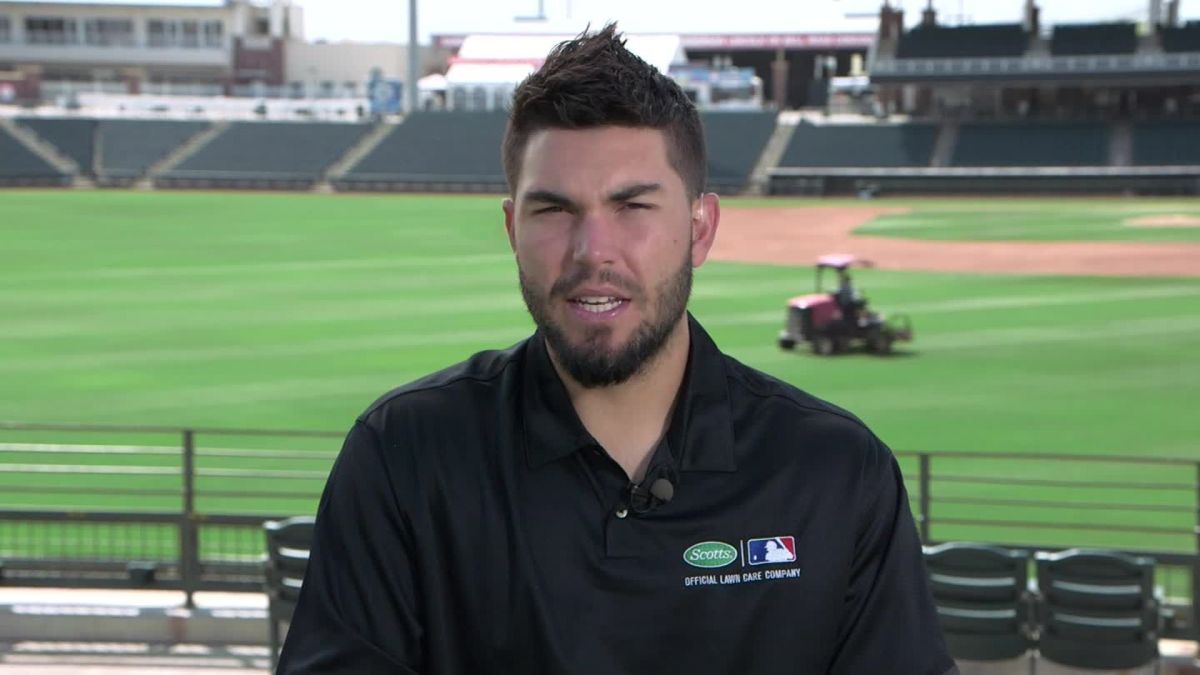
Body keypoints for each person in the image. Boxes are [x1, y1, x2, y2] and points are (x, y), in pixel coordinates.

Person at [279, 24, 955, 675]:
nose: (592, 251)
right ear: (514, 229)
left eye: (632, 206)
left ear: (700, 229)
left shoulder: (838, 476)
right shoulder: (404, 459)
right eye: (554, 209)